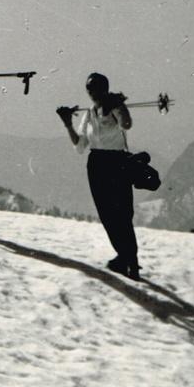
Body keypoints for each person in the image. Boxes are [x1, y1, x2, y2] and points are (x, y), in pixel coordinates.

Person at [56, 73, 141, 280]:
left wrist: (120, 106)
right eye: (90, 89)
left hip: (117, 162)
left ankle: (129, 259)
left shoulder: (114, 107)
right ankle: (126, 257)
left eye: (95, 89)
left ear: (104, 89)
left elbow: (126, 124)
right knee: (107, 214)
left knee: (123, 213)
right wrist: (68, 124)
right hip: (97, 164)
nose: (92, 93)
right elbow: (80, 145)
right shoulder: (89, 114)